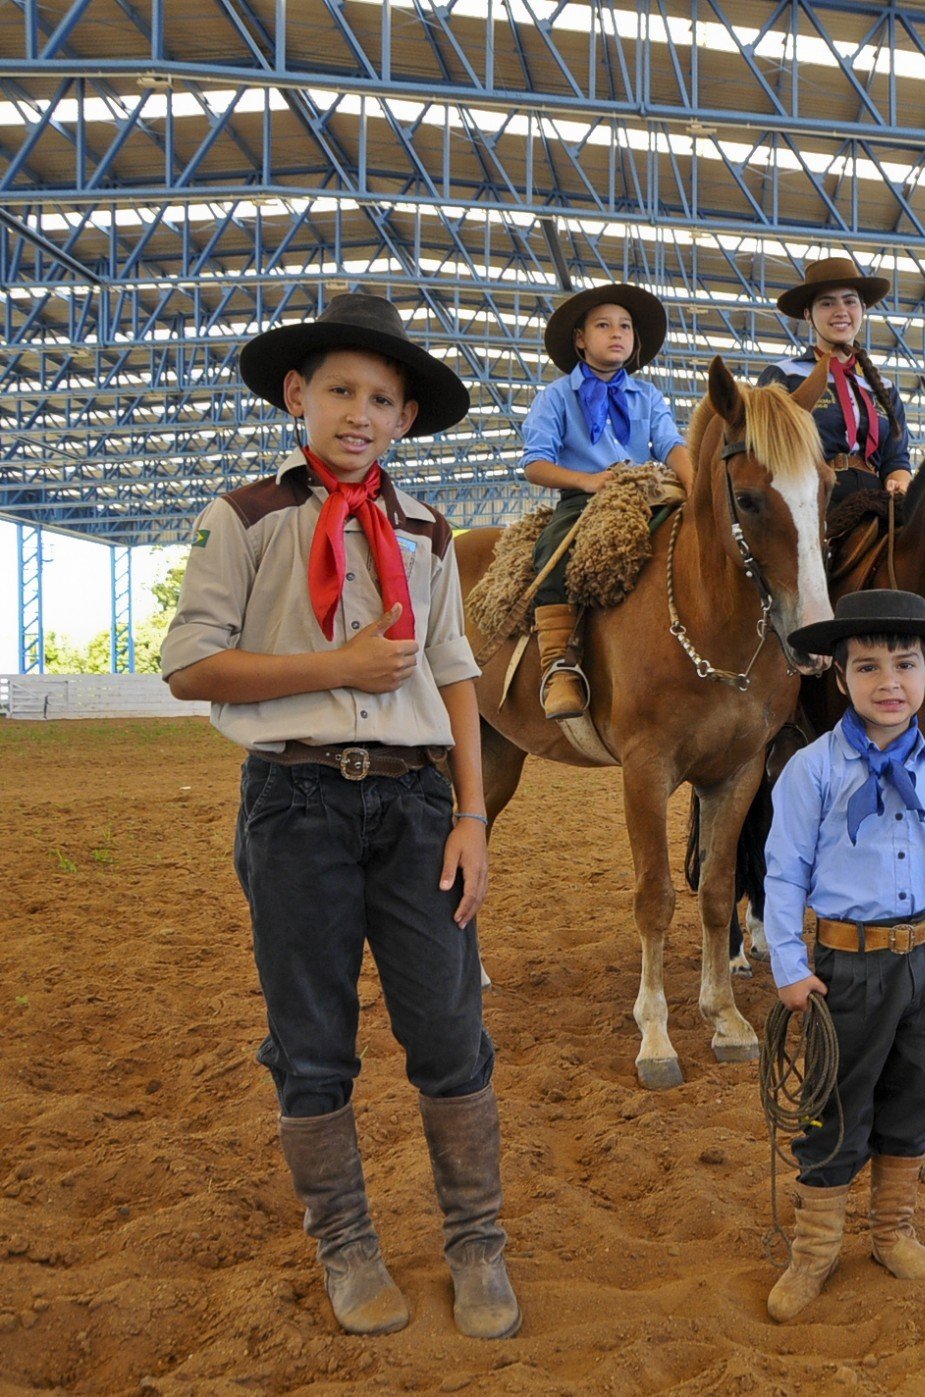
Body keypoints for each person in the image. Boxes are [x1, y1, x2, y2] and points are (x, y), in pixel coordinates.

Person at [161, 293, 519, 1338]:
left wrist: (472, 813)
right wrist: (336, 666)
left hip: (416, 805)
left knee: (451, 1028)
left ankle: (476, 1238)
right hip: (295, 801)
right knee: (310, 1036)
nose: (358, 413)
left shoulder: (427, 530)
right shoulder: (247, 517)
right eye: (338, 391)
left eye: (380, 398)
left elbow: (454, 673)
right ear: (296, 396)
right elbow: (189, 663)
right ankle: (348, 1242)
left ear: (406, 418)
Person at [760, 590, 925, 1322]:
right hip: (848, 968)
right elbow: (784, 871)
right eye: (867, 666)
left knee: (916, 1096)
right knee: (833, 1104)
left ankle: (892, 1231)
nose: (887, 681)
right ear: (840, 676)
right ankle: (815, 1250)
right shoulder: (812, 771)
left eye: (903, 664)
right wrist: (790, 965)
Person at [521, 282, 692, 720]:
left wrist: (697, 488)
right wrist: (589, 481)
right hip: (585, 498)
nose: (616, 333)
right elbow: (536, 465)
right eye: (603, 325)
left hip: (647, 494)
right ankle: (559, 666)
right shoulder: (557, 396)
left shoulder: (648, 395)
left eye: (625, 326)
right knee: (553, 553)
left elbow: (671, 443)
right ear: (581, 339)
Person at [758, 256, 911, 506]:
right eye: (827, 303)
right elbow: (764, 455)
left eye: (850, 301)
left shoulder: (885, 389)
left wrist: (900, 481)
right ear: (808, 315)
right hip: (808, 501)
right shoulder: (784, 375)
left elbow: (896, 460)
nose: (841, 311)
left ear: (862, 308)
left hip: (876, 502)